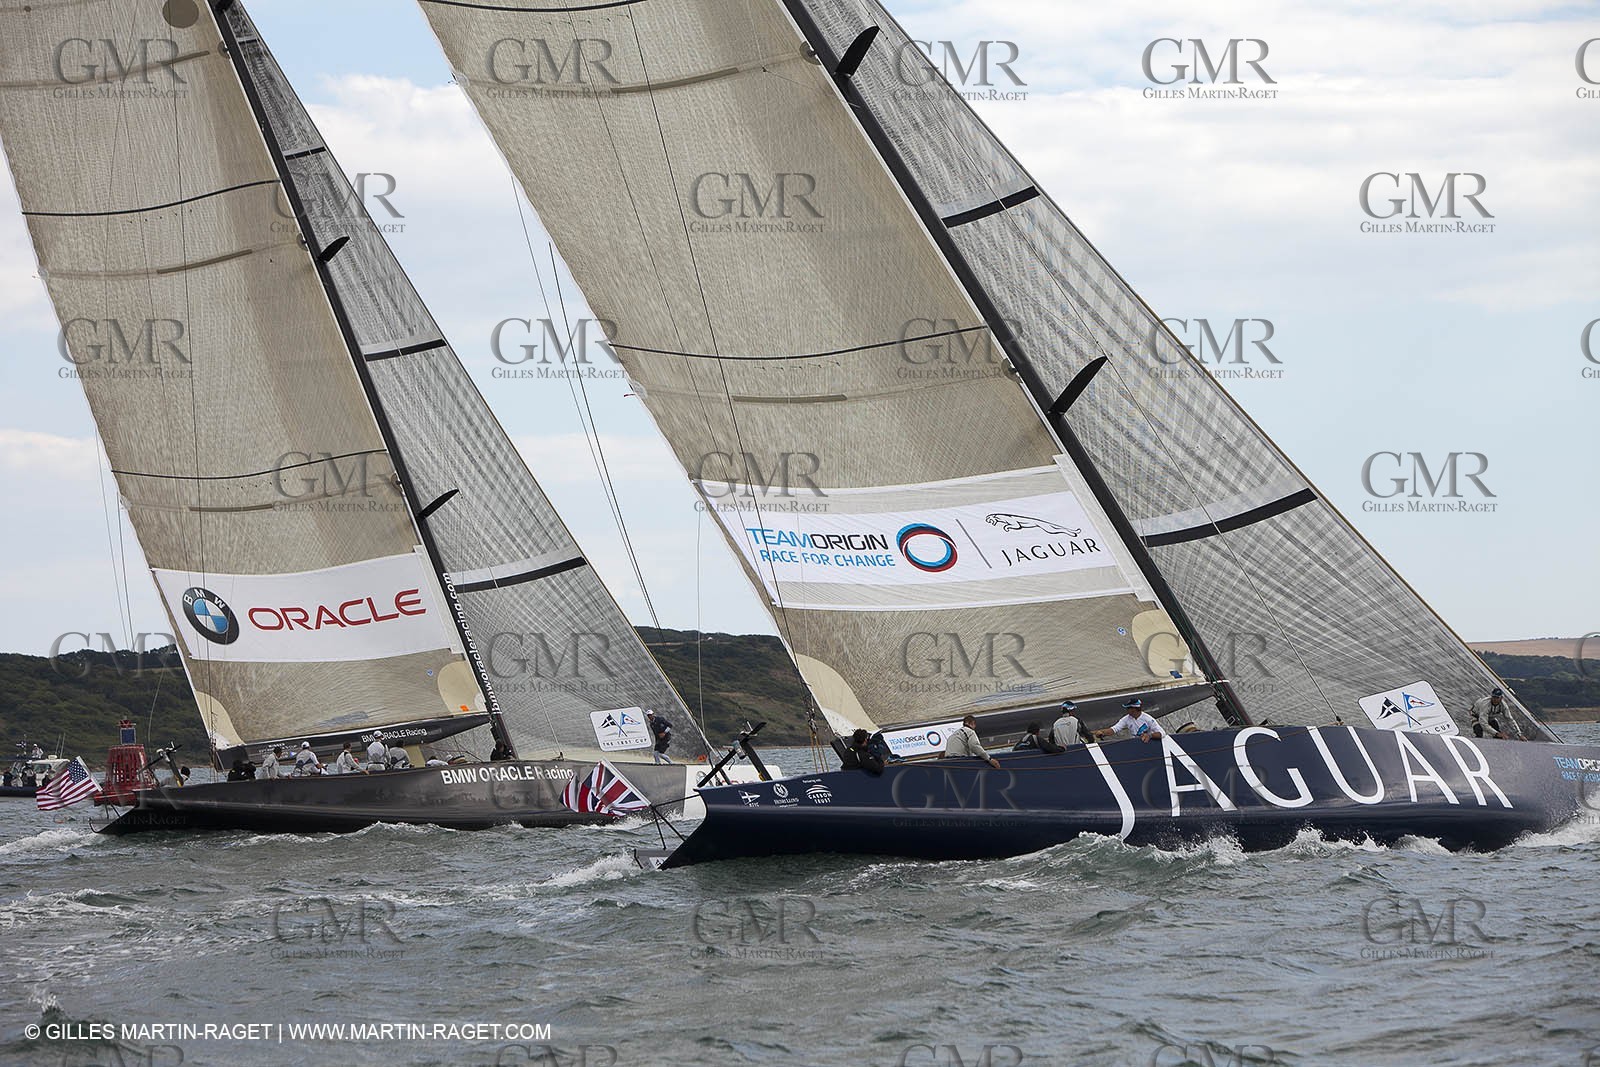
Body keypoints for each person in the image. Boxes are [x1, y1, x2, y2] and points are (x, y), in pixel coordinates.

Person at [1095, 698, 1163, 743]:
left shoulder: (1148, 719)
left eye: (1128, 708)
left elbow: (1162, 733)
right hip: (1136, 743)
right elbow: (1115, 729)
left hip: (1149, 743)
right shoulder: (1126, 719)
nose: (1126, 710)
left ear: (1133, 709)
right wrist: (1102, 733)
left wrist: (1150, 735)